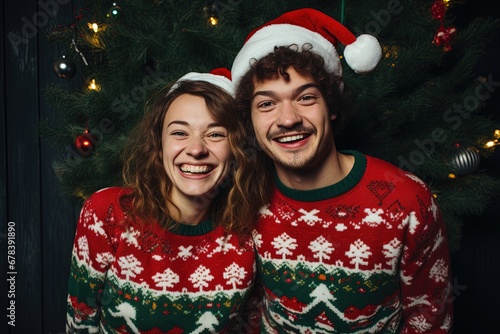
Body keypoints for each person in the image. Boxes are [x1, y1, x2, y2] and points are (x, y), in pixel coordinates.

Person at [231, 8, 454, 333]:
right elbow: (248, 310)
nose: (288, 118)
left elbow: (430, 319)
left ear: (331, 105)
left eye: (305, 97)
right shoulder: (247, 197)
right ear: (250, 119)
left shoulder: (407, 201)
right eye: (267, 103)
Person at [66, 68, 265, 333]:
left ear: (236, 148)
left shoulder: (252, 229)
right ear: (159, 146)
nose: (196, 149)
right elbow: (80, 322)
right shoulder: (107, 213)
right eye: (180, 133)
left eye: (215, 134)